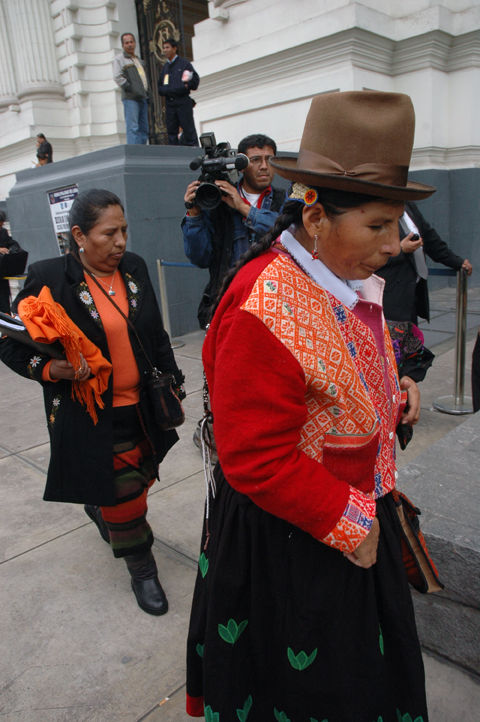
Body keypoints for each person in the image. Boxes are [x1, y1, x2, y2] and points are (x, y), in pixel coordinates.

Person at [186, 91, 434, 720]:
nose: (390, 245)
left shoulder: (343, 279)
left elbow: (341, 367)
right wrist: (352, 524)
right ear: (317, 217)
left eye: (394, 226)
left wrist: (391, 393)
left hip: (349, 525)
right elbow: (257, 459)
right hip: (295, 546)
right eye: (376, 227)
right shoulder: (261, 307)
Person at [0, 189, 185, 616]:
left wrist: (172, 379)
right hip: (92, 416)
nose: (121, 242)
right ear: (80, 235)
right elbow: (9, 345)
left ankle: (100, 506)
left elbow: (154, 335)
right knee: (126, 498)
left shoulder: (135, 267)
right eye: (109, 233)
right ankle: (142, 567)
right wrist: (50, 371)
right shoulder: (49, 277)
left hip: (144, 409)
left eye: (124, 230)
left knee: (140, 481)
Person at [183, 133, 285, 329]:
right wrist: (194, 214)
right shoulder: (217, 202)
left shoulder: (284, 199)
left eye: (270, 159)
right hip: (231, 305)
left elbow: (285, 233)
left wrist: (243, 207)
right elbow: (200, 258)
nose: (264, 166)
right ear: (241, 164)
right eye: (255, 160)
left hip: (277, 304)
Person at [376, 200, 473, 324]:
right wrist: (401, 250)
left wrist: (457, 262)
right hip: (389, 298)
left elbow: (431, 240)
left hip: (411, 294)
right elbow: (366, 256)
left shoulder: (409, 207)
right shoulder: (375, 212)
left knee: (411, 339)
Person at [157, 38, 199, 146]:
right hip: (170, 104)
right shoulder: (165, 68)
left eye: (167, 47)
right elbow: (160, 87)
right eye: (164, 48)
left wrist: (184, 87)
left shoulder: (184, 64)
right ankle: (174, 156)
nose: (165, 50)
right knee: (172, 132)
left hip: (183, 102)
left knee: (189, 130)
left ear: (174, 48)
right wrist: (170, 90)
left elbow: (194, 81)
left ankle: (194, 153)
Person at [113, 33, 149, 145]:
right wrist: (130, 88)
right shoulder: (119, 59)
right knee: (133, 127)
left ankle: (142, 152)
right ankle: (133, 153)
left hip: (142, 97)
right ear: (123, 45)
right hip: (130, 98)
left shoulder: (138, 60)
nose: (129, 45)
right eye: (126, 42)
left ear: (135, 43)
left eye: (131, 42)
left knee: (144, 128)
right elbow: (117, 76)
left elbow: (144, 79)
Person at [0, 211, 22, 313]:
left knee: (4, 303)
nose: (1, 225)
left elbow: (12, 243)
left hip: (2, 272)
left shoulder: (3, 232)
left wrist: (13, 249)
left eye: (2, 223)